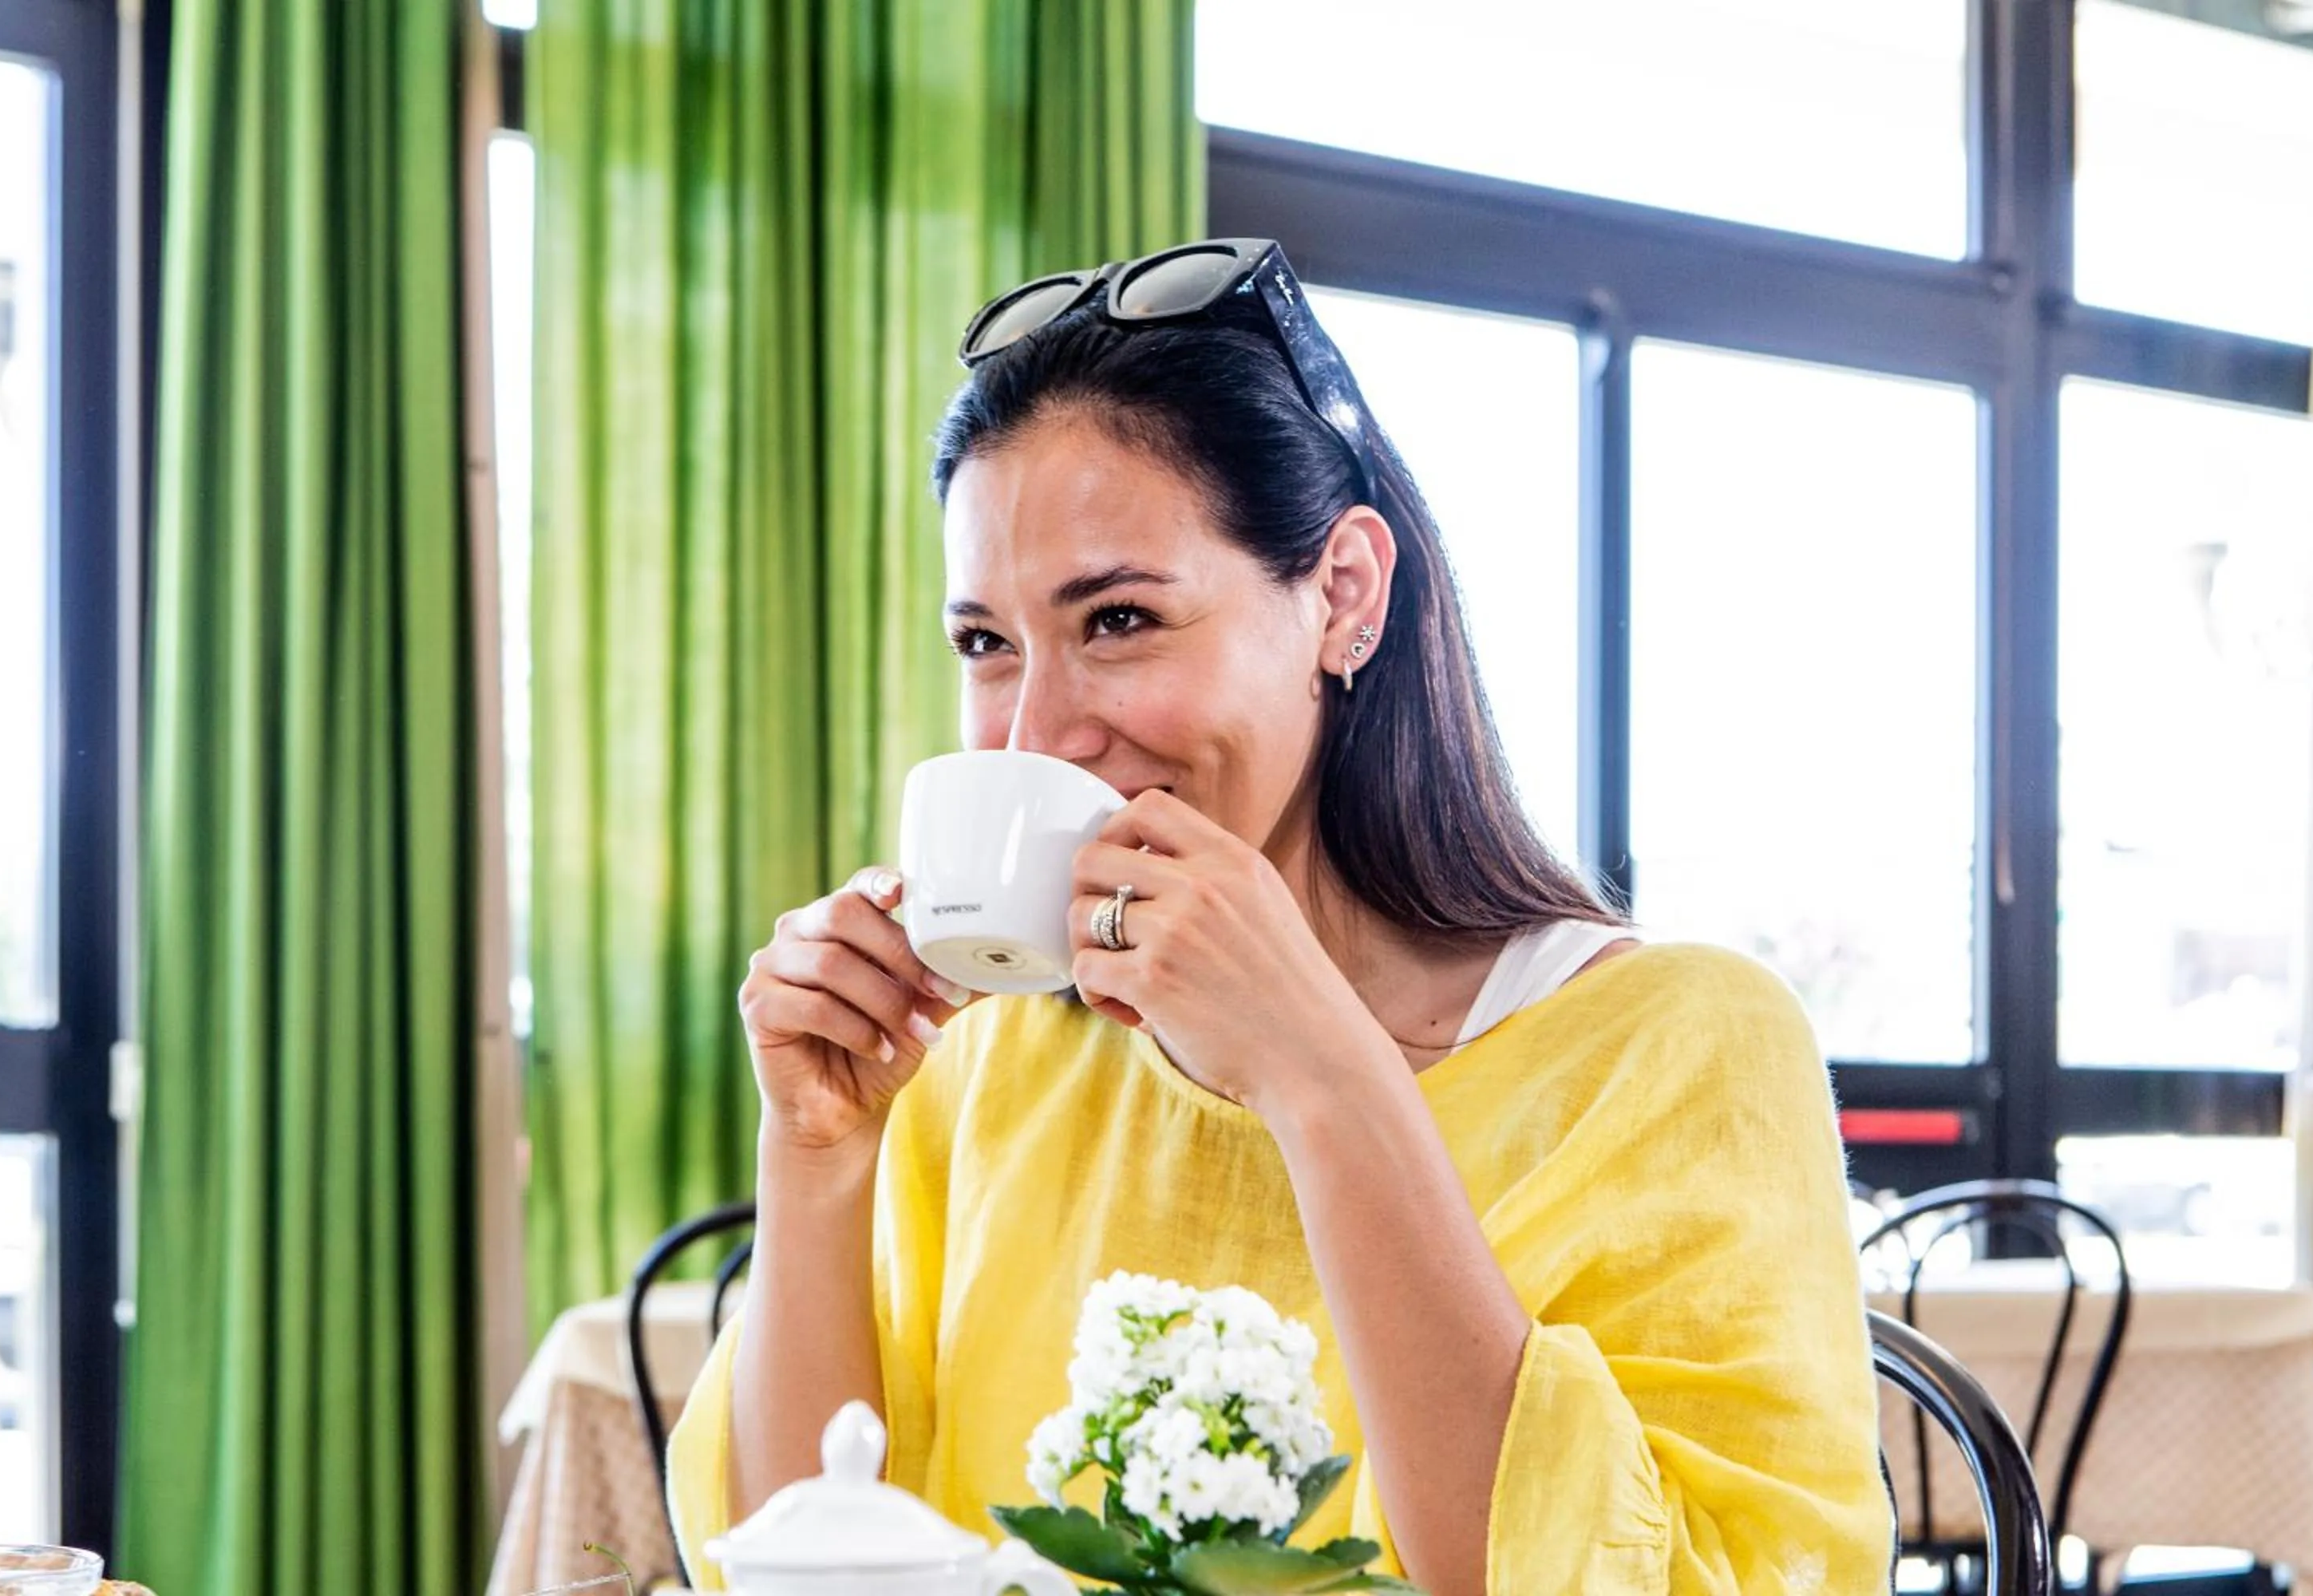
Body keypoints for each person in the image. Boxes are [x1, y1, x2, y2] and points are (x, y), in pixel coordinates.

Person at [666, 238, 1892, 1594]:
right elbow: (794, 1562)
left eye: (1119, 618)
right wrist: (821, 1156)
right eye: (985, 643)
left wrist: (1319, 1073)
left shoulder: (1680, 1048)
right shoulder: (986, 1059)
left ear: (1342, 596)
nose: (1036, 733)